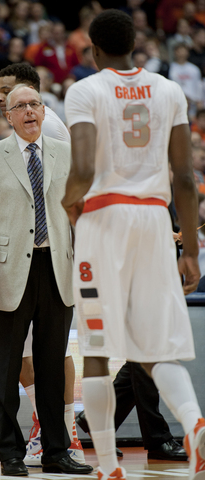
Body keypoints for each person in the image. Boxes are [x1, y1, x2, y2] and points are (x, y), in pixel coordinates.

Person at [62, 9, 204, 480]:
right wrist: (190, 251)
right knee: (155, 347)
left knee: (99, 348)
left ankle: (106, 466)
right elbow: (184, 177)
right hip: (154, 219)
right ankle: (193, 421)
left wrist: (67, 202)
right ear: (135, 41)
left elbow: (82, 170)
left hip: (104, 217)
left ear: (94, 48)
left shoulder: (85, 89)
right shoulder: (169, 89)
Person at [0, 84, 93, 477]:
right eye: (20, 106)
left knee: (52, 365)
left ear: (43, 110)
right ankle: (10, 453)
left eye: (34, 104)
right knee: (6, 367)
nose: (29, 111)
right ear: (8, 115)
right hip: (7, 274)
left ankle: (57, 450)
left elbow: (83, 210)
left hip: (57, 269)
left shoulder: (64, 152)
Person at [0, 63, 86, 466]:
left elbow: (73, 203)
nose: (0, 96)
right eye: (2, 95)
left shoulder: (48, 132)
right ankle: (46, 435)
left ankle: (59, 437)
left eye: (6, 90)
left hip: (49, 260)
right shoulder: (0, 148)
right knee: (27, 356)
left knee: (51, 355)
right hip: (16, 263)